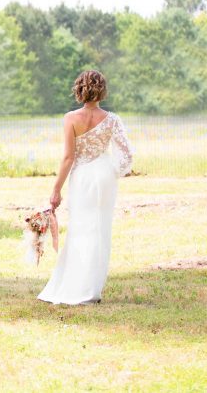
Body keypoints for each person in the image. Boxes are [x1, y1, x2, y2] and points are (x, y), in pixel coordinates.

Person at [37, 70, 134, 305]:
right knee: (100, 230)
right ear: (102, 90)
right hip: (104, 175)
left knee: (80, 229)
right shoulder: (112, 119)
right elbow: (127, 155)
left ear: (79, 89)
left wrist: (55, 190)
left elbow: (68, 158)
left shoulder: (70, 118)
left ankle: (76, 284)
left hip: (82, 178)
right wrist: (113, 170)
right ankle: (92, 289)